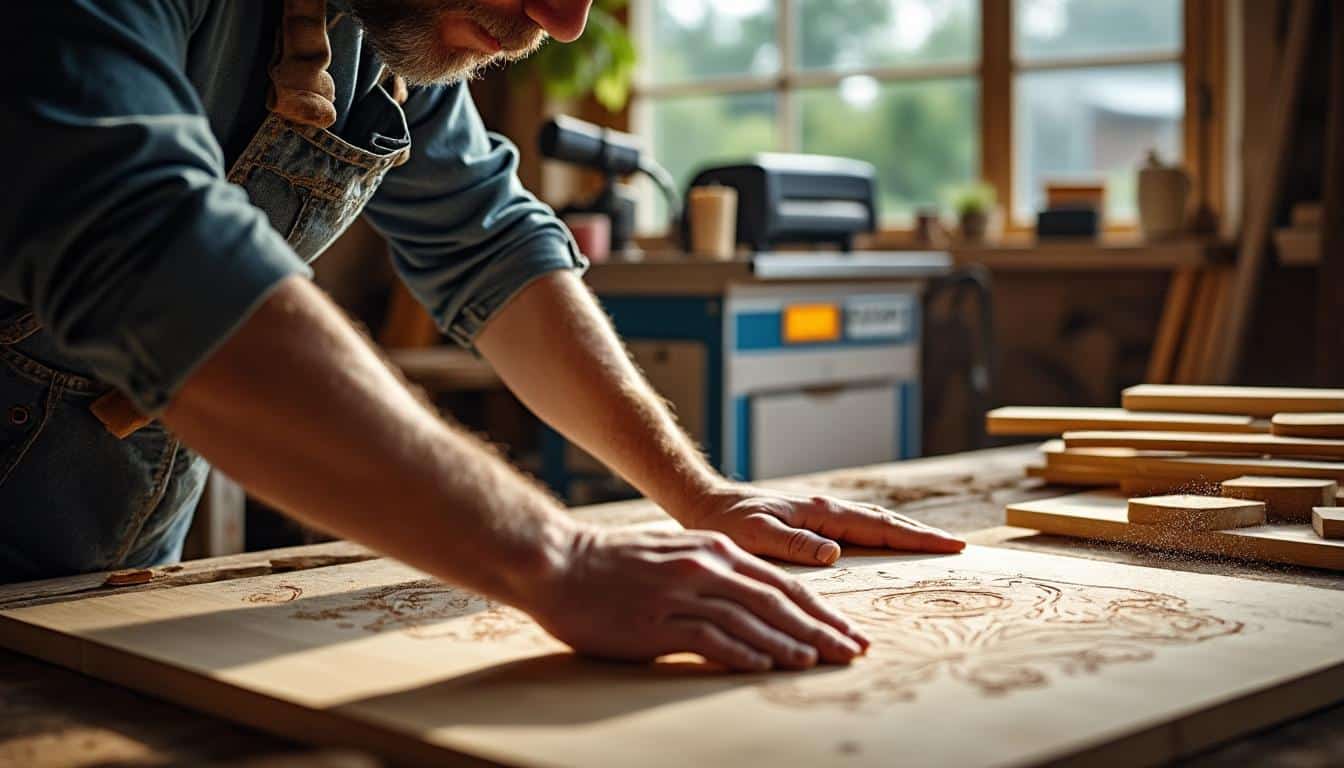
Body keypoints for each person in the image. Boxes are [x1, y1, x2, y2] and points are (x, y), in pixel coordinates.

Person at [0, 0, 964, 672]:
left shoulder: (380, 28)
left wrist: (699, 493)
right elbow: (141, 243)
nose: (565, 19)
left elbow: (491, 243)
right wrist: (560, 559)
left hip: (98, 572)